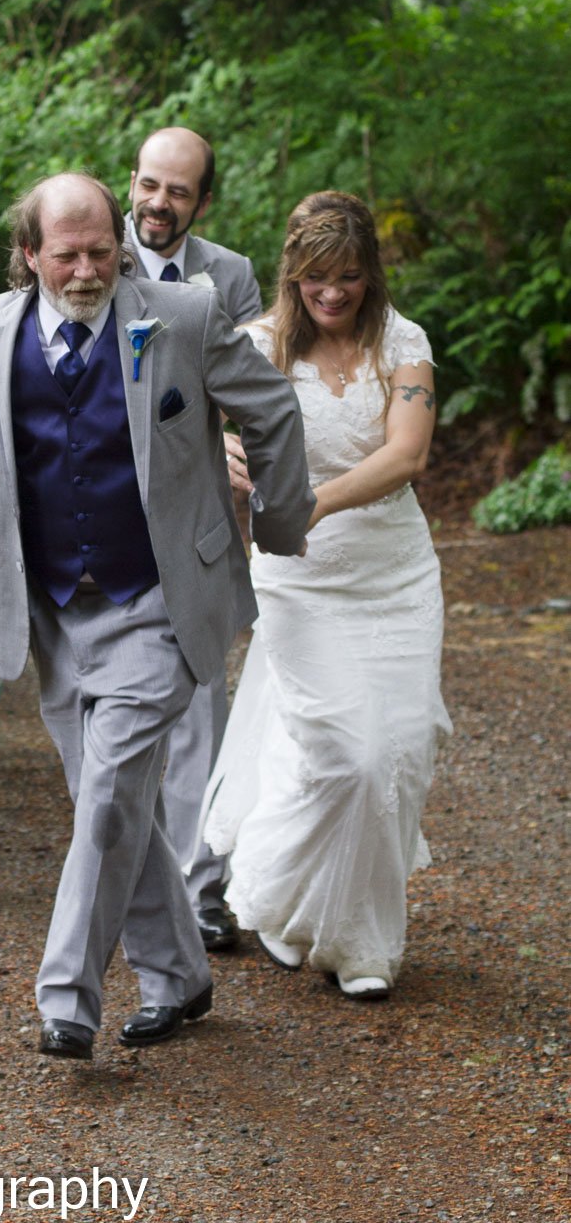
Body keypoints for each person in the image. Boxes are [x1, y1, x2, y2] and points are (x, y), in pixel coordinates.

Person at [0, 173, 314, 1060]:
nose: (86, 270)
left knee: (111, 789)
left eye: (101, 250)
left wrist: (273, 525)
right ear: (29, 254)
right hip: (53, 611)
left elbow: (269, 410)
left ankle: (66, 997)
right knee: (109, 807)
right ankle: (179, 977)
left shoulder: (182, 316)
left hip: (157, 596)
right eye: (66, 254)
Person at [203, 191, 450, 1000]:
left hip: (394, 576)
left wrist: (311, 501)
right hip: (297, 577)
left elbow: (406, 455)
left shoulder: (400, 343)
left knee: (399, 756)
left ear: (370, 275)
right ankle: (278, 896)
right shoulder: (258, 344)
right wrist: (223, 450)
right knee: (342, 756)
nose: (333, 294)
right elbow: (183, 421)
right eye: (316, 280)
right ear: (292, 277)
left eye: (347, 277)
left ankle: (363, 944)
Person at [126, 125, 263, 955]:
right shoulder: (87, 258)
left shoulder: (230, 275)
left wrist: (240, 446)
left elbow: (249, 387)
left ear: (201, 202)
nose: (157, 203)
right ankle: (130, 890)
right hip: (108, 527)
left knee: (204, 713)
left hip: (200, 525)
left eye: (177, 191)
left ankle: (199, 889)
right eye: (148, 184)